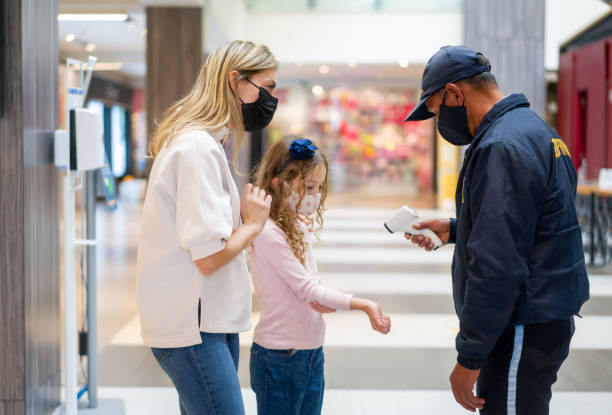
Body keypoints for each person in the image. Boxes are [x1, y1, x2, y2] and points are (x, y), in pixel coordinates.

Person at [404, 45, 589, 414]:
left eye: (438, 109)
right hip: (541, 316)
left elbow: (498, 265)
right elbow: (534, 224)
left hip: (523, 321)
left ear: (455, 93)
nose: (440, 121)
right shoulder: (536, 129)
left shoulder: (501, 145)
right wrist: (460, 229)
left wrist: (469, 356)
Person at [136, 40, 279, 415]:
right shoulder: (196, 147)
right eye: (268, 86)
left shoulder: (202, 143)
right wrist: (252, 225)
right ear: (236, 81)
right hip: (192, 326)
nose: (271, 98)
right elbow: (210, 257)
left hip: (206, 321)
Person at [248, 136, 391, 415]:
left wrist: (321, 298)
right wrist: (364, 305)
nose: (315, 195)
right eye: (309, 187)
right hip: (280, 357)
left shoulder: (296, 227)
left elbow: (311, 284)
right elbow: (307, 289)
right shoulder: (269, 233)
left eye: (320, 188)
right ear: (279, 184)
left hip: (311, 352)